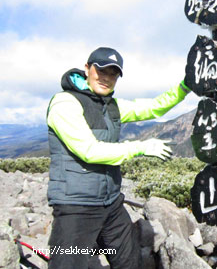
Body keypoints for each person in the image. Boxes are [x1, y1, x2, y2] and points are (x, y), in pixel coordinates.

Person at [46, 47, 191, 268]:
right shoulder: (65, 103)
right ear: (87, 69)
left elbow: (153, 108)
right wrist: (140, 147)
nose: (106, 78)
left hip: (111, 204)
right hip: (76, 206)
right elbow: (89, 150)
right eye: (101, 70)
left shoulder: (112, 106)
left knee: (129, 262)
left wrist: (185, 86)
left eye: (113, 73)